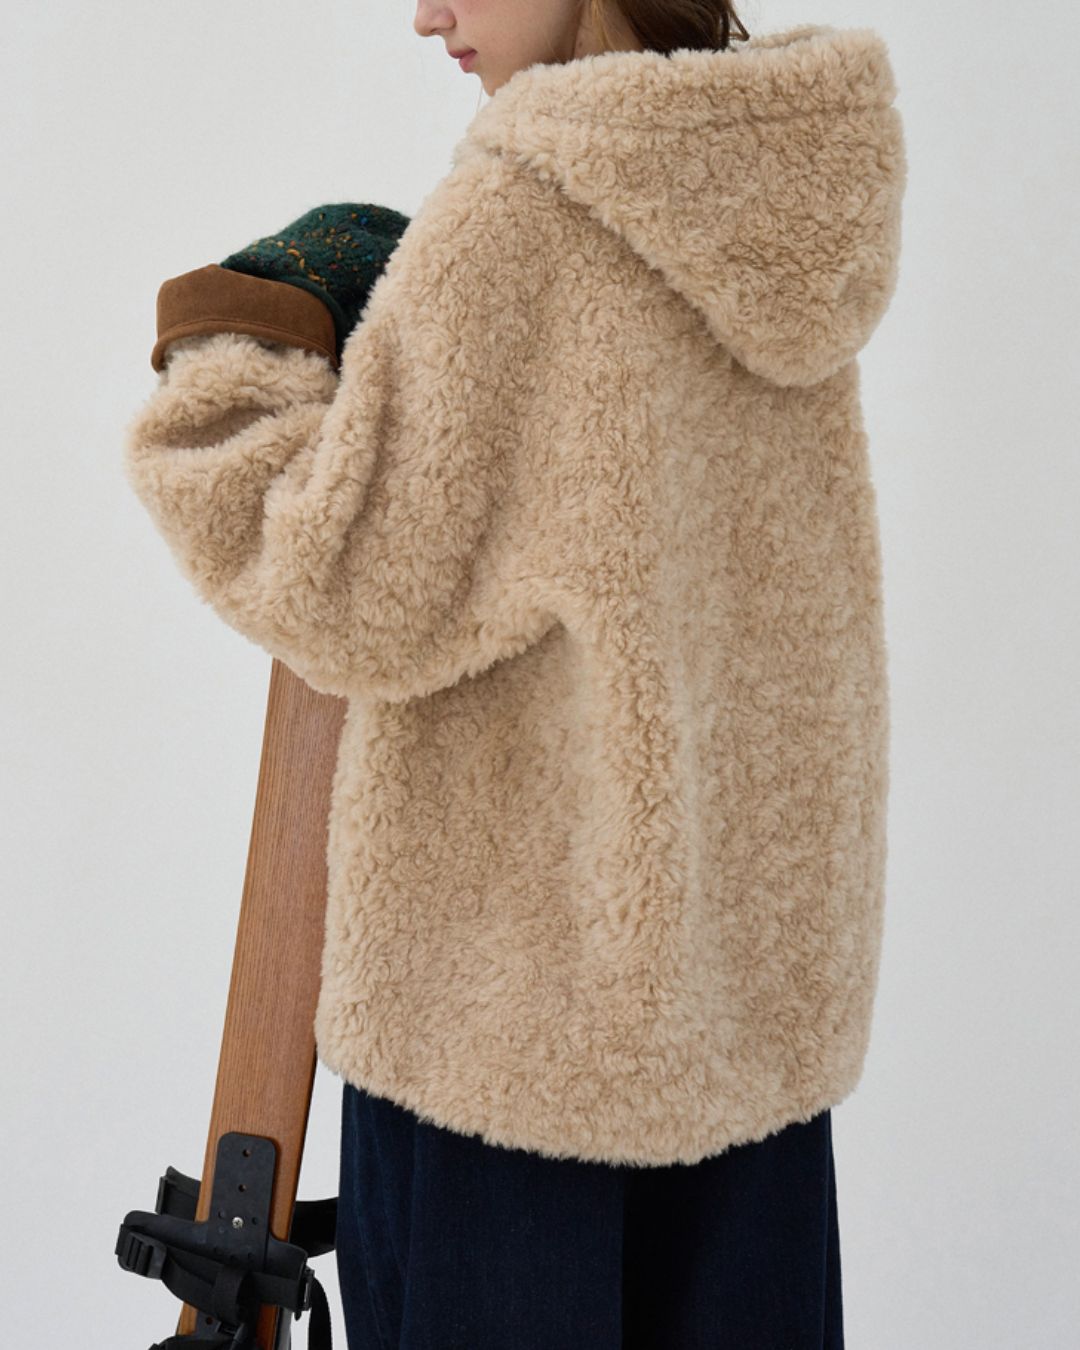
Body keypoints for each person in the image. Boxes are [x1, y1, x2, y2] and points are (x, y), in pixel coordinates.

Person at [123, 0, 907, 1344]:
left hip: (509, 1054)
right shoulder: (783, 194)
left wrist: (235, 350)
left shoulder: (526, 216)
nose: (425, 11)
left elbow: (337, 578)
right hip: (745, 1044)